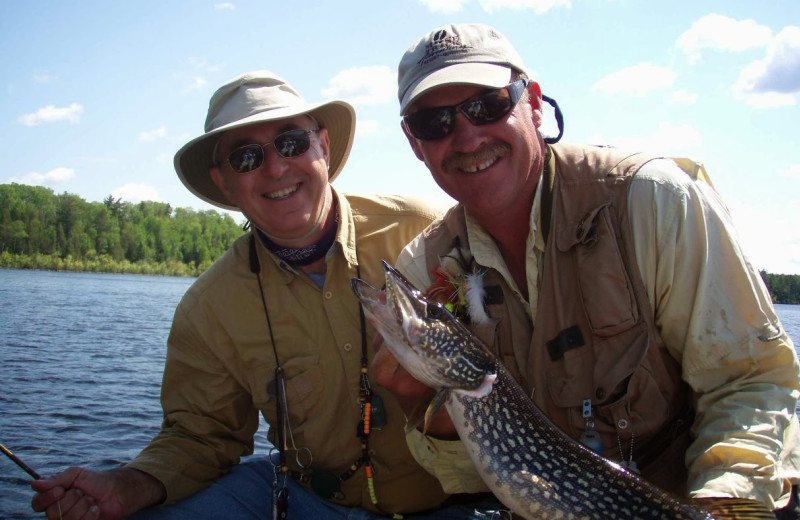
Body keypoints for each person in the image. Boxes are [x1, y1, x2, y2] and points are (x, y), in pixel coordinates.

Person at [29, 71, 510, 520]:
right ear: (223, 180)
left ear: (322, 145)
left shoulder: (426, 230)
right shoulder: (209, 307)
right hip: (309, 499)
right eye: (246, 157)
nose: (276, 168)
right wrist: (129, 484)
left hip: (458, 502)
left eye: (291, 142)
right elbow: (202, 436)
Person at [373, 22, 800, 515]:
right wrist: (424, 403)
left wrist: (722, 503)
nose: (467, 137)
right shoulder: (426, 267)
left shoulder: (652, 201)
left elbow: (749, 380)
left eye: (487, 105)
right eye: (436, 122)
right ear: (413, 141)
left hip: (694, 495)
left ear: (532, 102)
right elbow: (478, 478)